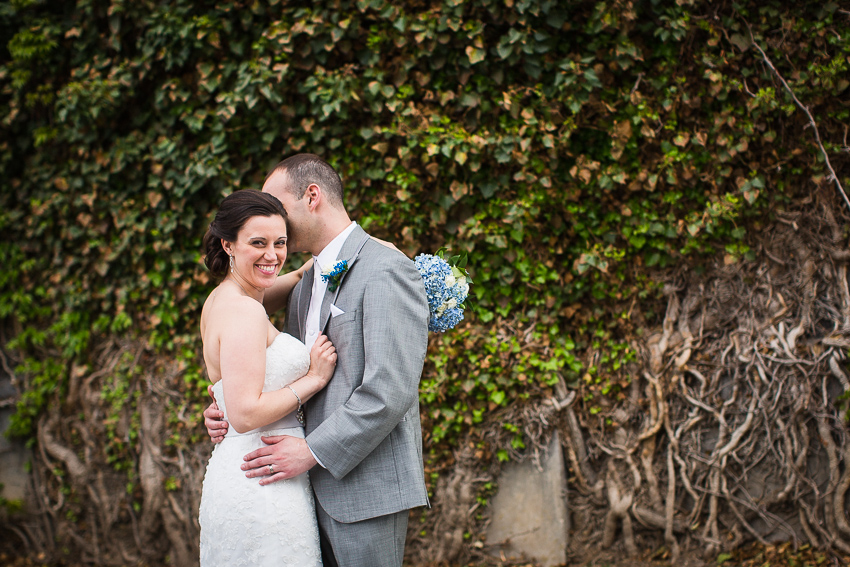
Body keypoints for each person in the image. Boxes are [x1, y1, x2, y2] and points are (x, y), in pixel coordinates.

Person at [204, 154, 430, 566]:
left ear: (312, 196)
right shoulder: (305, 280)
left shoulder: (385, 271)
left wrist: (311, 451)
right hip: (295, 490)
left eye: (277, 205)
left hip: (361, 489)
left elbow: (389, 390)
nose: (273, 219)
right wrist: (226, 401)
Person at [197, 189, 338, 567]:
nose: (272, 255)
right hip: (262, 480)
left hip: (248, 468)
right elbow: (243, 414)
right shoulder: (244, 311)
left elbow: (286, 278)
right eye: (257, 243)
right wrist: (313, 378)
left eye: (280, 242)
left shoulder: (225, 298)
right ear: (228, 244)